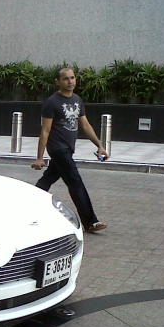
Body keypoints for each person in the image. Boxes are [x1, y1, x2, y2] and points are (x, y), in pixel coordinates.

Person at [31, 67, 108, 233]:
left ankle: (28, 203)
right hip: (58, 149)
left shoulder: (77, 100)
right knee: (75, 181)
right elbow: (45, 131)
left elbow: (85, 125)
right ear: (58, 82)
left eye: (72, 78)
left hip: (68, 149)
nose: (70, 81)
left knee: (47, 179)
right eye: (66, 79)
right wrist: (40, 157)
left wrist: (99, 146)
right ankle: (90, 222)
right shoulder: (52, 102)